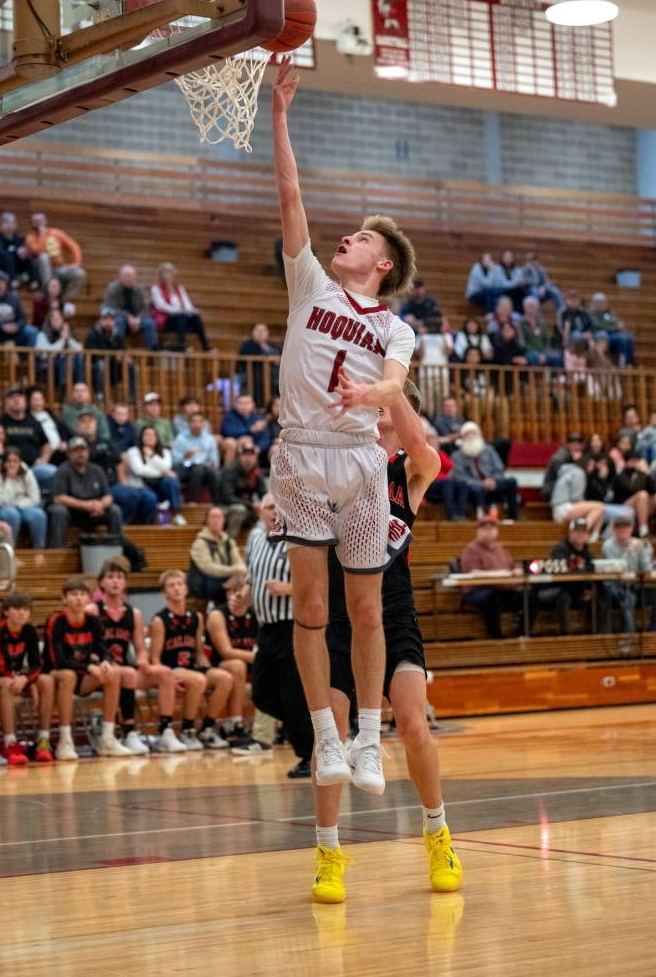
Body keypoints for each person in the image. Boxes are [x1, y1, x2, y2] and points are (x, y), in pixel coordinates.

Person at [268, 57, 416, 791]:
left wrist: (375, 396)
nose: (344, 241)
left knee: (364, 607)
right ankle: (325, 737)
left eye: (359, 239)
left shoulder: (393, 323)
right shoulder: (309, 284)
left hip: (361, 460)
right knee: (314, 603)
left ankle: (366, 738)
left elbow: (396, 378)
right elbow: (290, 194)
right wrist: (279, 115)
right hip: (300, 454)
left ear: (381, 262)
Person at [314, 381, 462, 903]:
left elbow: (424, 449)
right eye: (375, 412)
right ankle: (328, 853)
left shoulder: (412, 472)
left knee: (415, 723)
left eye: (391, 416)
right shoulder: (336, 467)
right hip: (336, 617)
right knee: (328, 735)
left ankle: (437, 832)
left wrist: (392, 387)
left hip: (394, 613)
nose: (381, 421)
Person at [245, 491, 313, 777]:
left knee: (293, 697)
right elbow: (252, 580)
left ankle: (309, 755)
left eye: (278, 506)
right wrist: (242, 598)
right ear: (260, 511)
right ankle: (320, 734)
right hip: (266, 628)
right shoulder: (255, 539)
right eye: (268, 507)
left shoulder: (297, 538)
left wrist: (288, 589)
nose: (273, 511)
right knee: (261, 694)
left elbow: (318, 585)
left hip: (292, 627)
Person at [88, 558, 185, 755]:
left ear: (125, 583)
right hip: (100, 671)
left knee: (165, 673)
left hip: (124, 669)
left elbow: (140, 647)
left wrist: (142, 659)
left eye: (120, 577)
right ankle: (129, 732)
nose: (115, 581)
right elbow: (85, 646)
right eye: (110, 577)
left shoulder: (134, 613)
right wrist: (101, 661)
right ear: (101, 583)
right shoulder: (93, 610)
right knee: (129, 674)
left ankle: (165, 731)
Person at [44, 578, 130, 760]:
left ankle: (107, 739)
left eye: (82, 595)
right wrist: (88, 666)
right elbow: (58, 660)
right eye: (73, 595)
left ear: (88, 599)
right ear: (64, 600)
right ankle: (65, 741)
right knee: (68, 675)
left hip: (83, 676)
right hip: (56, 675)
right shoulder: (56, 621)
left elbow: (102, 648)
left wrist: (106, 661)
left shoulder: (93, 620)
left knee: (113, 673)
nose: (78, 599)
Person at [150, 570, 230, 749]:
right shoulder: (159, 620)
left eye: (180, 584)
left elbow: (199, 653)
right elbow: (154, 657)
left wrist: (209, 669)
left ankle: (207, 728)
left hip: (191, 668)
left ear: (186, 588)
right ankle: (187, 730)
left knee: (224, 678)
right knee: (198, 679)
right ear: (164, 592)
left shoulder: (196, 617)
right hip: (171, 669)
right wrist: (166, 678)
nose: (177, 589)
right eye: (171, 586)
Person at [0, 592, 55, 764]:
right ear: (6, 612)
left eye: (25, 609)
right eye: (16, 608)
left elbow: (37, 664)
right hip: (1, 676)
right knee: (8, 683)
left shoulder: (29, 630)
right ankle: (10, 742)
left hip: (14, 677)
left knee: (47, 680)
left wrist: (26, 680)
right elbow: (0, 665)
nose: (21, 612)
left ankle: (43, 741)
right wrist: (20, 680)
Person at [76, 411, 156, 526]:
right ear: (78, 427)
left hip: (114, 483)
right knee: (132, 496)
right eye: (84, 422)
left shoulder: (107, 442)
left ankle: (145, 530)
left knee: (150, 497)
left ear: (96, 425)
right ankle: (119, 527)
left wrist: (123, 482)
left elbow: (119, 462)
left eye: (91, 421)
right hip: (94, 487)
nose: (88, 424)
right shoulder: (76, 446)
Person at [532, 518, 608, 635]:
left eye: (583, 532)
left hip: (575, 591)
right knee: (563, 595)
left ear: (588, 535)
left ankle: (602, 634)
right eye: (577, 531)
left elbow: (592, 570)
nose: (580, 535)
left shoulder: (586, 552)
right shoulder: (561, 548)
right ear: (570, 533)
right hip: (553, 590)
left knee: (603, 592)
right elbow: (564, 574)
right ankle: (565, 634)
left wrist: (589, 589)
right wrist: (583, 585)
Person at [48, 437, 123, 548]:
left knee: (115, 510)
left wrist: (100, 505)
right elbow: (59, 498)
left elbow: (108, 496)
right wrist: (85, 506)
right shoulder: (63, 470)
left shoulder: (97, 470)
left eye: (83, 450)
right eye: (76, 451)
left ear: (88, 452)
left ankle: (116, 549)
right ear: (69, 454)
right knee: (59, 511)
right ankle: (56, 552)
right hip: (73, 513)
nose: (80, 453)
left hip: (95, 512)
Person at [203, 603, 259, 752]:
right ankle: (234, 724)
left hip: (250, 665)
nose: (235, 597)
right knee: (237, 666)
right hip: (218, 665)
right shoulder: (218, 615)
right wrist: (262, 657)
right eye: (231, 592)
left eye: (239, 593)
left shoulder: (256, 614)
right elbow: (226, 652)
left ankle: (283, 727)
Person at [460, 516, 523, 639]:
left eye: (492, 527)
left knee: (528, 598)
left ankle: (521, 633)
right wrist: (502, 573)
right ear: (478, 530)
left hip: (500, 589)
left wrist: (517, 570)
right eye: (485, 528)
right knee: (491, 598)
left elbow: (511, 567)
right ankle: (496, 637)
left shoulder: (500, 548)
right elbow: (474, 573)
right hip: (476, 590)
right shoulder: (471, 549)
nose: (489, 531)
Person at [602, 517, 656, 633]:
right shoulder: (608, 546)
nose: (622, 529)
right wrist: (629, 551)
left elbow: (646, 568)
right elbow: (618, 569)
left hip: (636, 585)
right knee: (628, 597)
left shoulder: (638, 543)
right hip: (616, 587)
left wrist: (655, 566)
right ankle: (629, 637)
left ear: (631, 529)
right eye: (619, 526)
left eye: (626, 526)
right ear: (613, 529)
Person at [450, 421, 519, 520]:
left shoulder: (489, 450)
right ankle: (480, 518)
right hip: (474, 488)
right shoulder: (457, 456)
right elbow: (460, 477)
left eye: (473, 433)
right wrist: (481, 483)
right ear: (462, 437)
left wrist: (493, 480)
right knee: (474, 489)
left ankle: (512, 517)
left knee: (511, 482)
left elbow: (499, 468)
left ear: (479, 435)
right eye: (467, 434)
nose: (470, 436)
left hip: (493, 484)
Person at [0, 385, 56, 489]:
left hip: (33, 468)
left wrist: (44, 459)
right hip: (9, 469)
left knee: (54, 473)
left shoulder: (33, 421)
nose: (16, 400)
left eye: (19, 396)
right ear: (5, 402)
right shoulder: (0, 423)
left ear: (25, 401)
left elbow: (47, 444)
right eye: (12, 397)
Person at [125, 425, 185, 525]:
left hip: (160, 483)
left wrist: (152, 456)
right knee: (151, 497)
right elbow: (139, 470)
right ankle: (149, 524)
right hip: (142, 483)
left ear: (157, 437)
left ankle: (176, 513)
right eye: (146, 435)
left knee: (172, 481)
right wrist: (161, 473)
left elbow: (166, 467)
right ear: (141, 437)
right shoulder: (133, 451)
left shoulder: (165, 451)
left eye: (153, 435)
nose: (150, 437)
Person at [188, 505, 247, 602]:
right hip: (206, 582)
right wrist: (233, 570)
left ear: (224, 521)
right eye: (213, 517)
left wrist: (241, 569)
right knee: (239, 583)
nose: (216, 520)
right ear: (207, 521)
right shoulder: (200, 543)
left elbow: (238, 561)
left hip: (225, 579)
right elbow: (208, 568)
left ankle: (232, 596)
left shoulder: (228, 541)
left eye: (219, 517)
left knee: (246, 579)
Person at [150, 262, 211, 351]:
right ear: (161, 275)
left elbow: (187, 303)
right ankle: (181, 345)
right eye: (165, 273)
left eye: (170, 273)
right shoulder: (156, 288)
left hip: (181, 316)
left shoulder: (179, 288)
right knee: (181, 316)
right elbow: (160, 306)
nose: (168, 275)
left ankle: (205, 345)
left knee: (195, 317)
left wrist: (193, 310)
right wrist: (179, 310)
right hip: (166, 318)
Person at [0, 446, 47, 553]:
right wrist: (9, 478)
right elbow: (1, 500)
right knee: (12, 514)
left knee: (39, 514)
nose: (12, 464)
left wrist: (19, 504)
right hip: (3, 508)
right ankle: (11, 552)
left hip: (23, 506)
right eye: (9, 461)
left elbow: (35, 497)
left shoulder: (26, 472)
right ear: (4, 462)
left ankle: (39, 552)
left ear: (20, 462)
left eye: (15, 461)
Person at [25, 212, 87, 297]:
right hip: (43, 270)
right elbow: (37, 250)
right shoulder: (30, 237)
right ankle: (48, 295)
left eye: (40, 220)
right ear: (32, 224)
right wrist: (43, 234)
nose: (38, 223)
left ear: (45, 221)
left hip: (59, 268)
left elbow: (74, 246)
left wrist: (77, 263)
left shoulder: (56, 233)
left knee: (80, 273)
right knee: (43, 257)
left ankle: (65, 300)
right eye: (36, 221)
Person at [613, 452, 656, 541]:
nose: (635, 463)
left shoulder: (643, 474)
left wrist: (648, 474)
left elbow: (655, 489)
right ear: (627, 461)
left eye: (637, 461)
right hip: (625, 506)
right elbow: (631, 489)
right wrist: (641, 475)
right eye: (633, 461)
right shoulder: (621, 475)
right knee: (642, 495)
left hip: (643, 507)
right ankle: (643, 529)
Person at [217, 439, 268, 537]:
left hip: (246, 507)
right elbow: (228, 498)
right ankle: (228, 542)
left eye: (251, 455)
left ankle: (260, 543)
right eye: (245, 455)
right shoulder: (229, 471)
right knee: (239, 510)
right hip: (224, 507)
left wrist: (264, 505)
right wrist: (252, 504)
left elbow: (264, 494)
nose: (248, 459)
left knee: (268, 510)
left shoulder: (256, 473)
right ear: (239, 457)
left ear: (255, 458)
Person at [102, 264, 158, 350]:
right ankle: (117, 352)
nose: (128, 278)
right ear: (120, 277)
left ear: (134, 277)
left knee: (150, 323)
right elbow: (111, 307)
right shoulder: (112, 288)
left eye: (130, 276)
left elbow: (146, 307)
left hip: (138, 318)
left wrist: (138, 318)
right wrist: (128, 317)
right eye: (125, 276)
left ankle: (151, 353)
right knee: (118, 322)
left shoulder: (140, 289)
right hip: (121, 317)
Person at [84, 307, 135, 398]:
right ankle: (100, 394)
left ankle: (131, 394)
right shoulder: (93, 334)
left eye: (111, 319)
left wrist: (123, 357)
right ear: (100, 320)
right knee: (100, 364)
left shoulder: (117, 335)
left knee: (130, 364)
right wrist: (112, 356)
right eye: (105, 319)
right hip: (96, 368)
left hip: (113, 367)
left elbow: (122, 350)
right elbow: (90, 354)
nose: (108, 322)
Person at [172, 410, 219, 504]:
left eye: (200, 421)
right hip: (185, 469)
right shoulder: (181, 438)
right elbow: (175, 461)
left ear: (203, 424)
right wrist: (185, 456)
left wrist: (211, 463)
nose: (197, 424)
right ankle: (191, 501)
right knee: (198, 469)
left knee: (212, 472)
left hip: (205, 469)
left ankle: (217, 502)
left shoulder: (209, 439)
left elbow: (215, 460)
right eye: (194, 421)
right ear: (188, 423)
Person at [550, 461, 605, 537]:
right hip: (563, 509)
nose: (593, 468)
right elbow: (576, 498)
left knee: (599, 511)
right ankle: (581, 533)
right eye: (592, 465)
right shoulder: (579, 473)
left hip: (559, 509)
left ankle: (594, 537)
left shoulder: (569, 471)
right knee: (600, 507)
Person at [35, 307, 84, 388]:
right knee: (63, 360)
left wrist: (68, 339)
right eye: (53, 317)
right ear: (49, 320)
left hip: (69, 366)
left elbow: (81, 350)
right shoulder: (42, 334)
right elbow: (45, 354)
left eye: (59, 317)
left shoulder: (68, 333)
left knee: (79, 360)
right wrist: (62, 340)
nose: (56, 319)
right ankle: (63, 390)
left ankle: (79, 387)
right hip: (49, 367)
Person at [236, 323, 281, 406]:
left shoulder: (273, 346)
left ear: (268, 333)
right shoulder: (247, 345)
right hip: (253, 377)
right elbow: (242, 362)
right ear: (253, 332)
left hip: (272, 378)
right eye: (258, 330)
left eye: (263, 330)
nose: (260, 333)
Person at [588, 292, 635, 367]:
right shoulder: (591, 313)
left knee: (627, 336)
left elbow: (618, 322)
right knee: (622, 338)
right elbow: (598, 326)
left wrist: (619, 325)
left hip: (612, 335)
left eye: (603, 302)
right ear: (595, 303)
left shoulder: (609, 312)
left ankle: (628, 362)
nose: (602, 304)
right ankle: (623, 364)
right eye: (600, 302)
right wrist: (614, 327)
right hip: (600, 337)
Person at [221, 393, 271, 462]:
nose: (244, 406)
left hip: (254, 448)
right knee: (233, 442)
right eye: (241, 403)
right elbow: (229, 432)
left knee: (250, 446)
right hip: (236, 445)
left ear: (253, 404)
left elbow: (266, 439)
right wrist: (251, 430)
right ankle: (229, 471)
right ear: (235, 404)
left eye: (247, 403)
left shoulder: (259, 419)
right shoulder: (229, 417)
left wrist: (258, 447)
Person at [0, 212, 38, 289]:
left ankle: (34, 281)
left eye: (11, 223)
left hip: (17, 266)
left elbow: (23, 251)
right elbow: (0, 252)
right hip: (2, 266)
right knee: (8, 257)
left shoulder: (19, 238)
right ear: (2, 225)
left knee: (28, 258)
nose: (9, 226)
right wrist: (16, 251)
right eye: (7, 223)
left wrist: (23, 252)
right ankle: (13, 280)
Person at [0, 270, 37, 347]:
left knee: (32, 332)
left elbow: (22, 318)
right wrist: (1, 326)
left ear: (6, 284)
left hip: (13, 331)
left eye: (1, 282)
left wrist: (17, 326)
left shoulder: (13, 298)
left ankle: (26, 357)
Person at [519, 296, 563, 367]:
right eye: (529, 306)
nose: (532, 309)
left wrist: (544, 353)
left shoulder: (541, 323)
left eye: (534, 307)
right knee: (534, 357)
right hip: (528, 351)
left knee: (556, 357)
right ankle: (533, 378)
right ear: (525, 308)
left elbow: (547, 341)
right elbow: (521, 343)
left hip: (543, 351)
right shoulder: (521, 323)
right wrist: (537, 353)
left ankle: (554, 378)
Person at [541, 432, 585, 501]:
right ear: (567, 445)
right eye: (573, 444)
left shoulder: (577, 455)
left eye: (578, 444)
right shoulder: (559, 457)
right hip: (551, 490)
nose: (576, 446)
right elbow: (564, 478)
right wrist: (576, 462)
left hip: (563, 489)